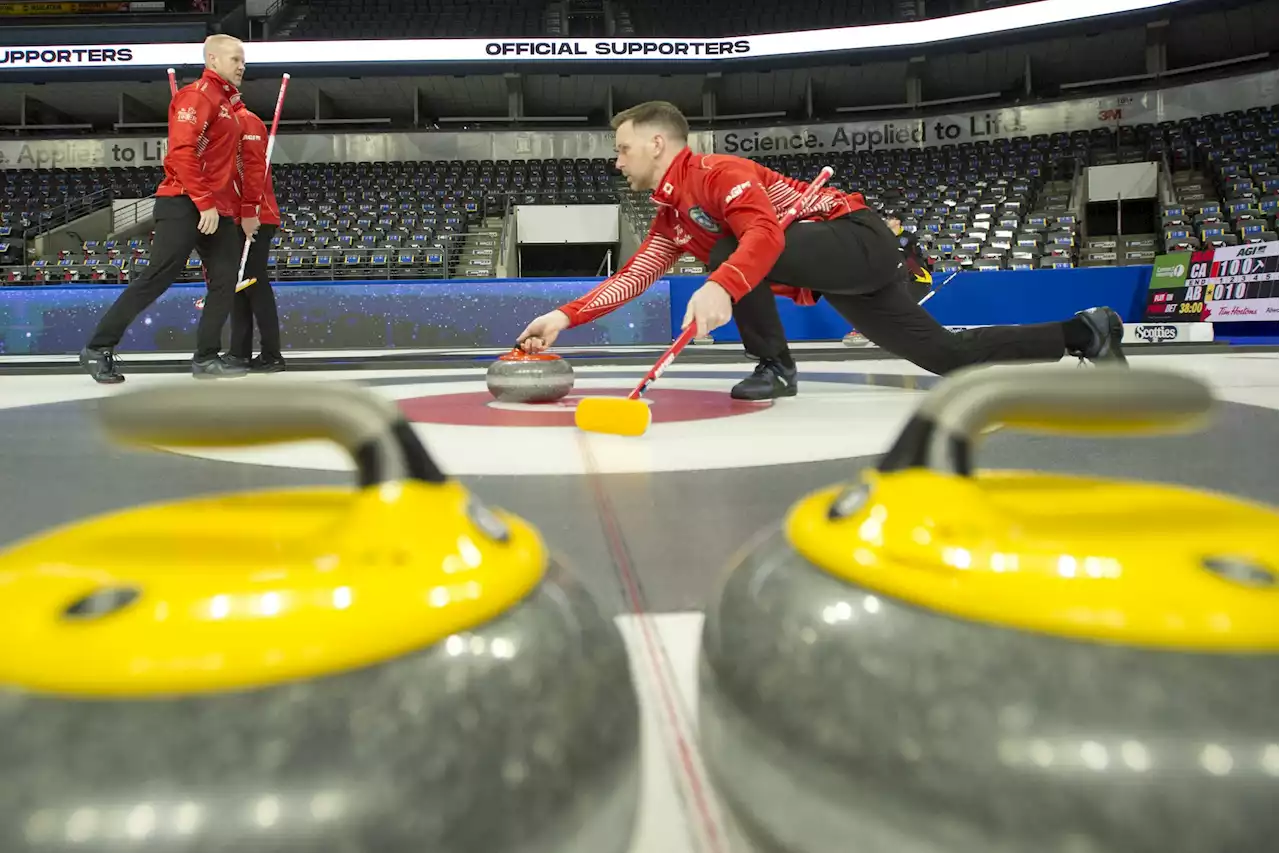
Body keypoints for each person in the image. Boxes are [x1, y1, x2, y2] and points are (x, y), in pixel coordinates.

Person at [516, 101, 1126, 400]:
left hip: (855, 239)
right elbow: (636, 274)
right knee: (946, 358)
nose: (616, 161)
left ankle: (776, 367)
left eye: (622, 149)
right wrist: (566, 316)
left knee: (733, 245)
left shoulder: (719, 172)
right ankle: (1086, 333)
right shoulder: (673, 217)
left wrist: (721, 284)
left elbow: (765, 237)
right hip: (843, 274)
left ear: (656, 143)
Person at [79, 34, 249, 384]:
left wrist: (230, 207)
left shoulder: (226, 104)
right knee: (158, 276)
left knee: (224, 281)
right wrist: (204, 203)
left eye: (243, 59)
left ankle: (206, 358)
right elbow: (182, 154)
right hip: (183, 201)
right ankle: (97, 348)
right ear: (213, 60)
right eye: (235, 59)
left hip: (218, 207)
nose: (242, 65)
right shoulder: (196, 97)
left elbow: (222, 164)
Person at [226, 95, 286, 373]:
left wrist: (250, 210)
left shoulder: (246, 121)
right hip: (236, 215)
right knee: (239, 286)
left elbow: (253, 171)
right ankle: (239, 352)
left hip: (256, 215)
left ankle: (271, 354)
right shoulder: (222, 124)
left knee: (253, 281)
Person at [844, 209, 930, 346]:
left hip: (918, 279)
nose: (887, 220)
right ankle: (869, 332)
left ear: (898, 221)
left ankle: (914, 337)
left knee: (897, 306)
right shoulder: (884, 237)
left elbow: (904, 258)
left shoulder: (907, 237)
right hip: (897, 278)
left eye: (890, 218)